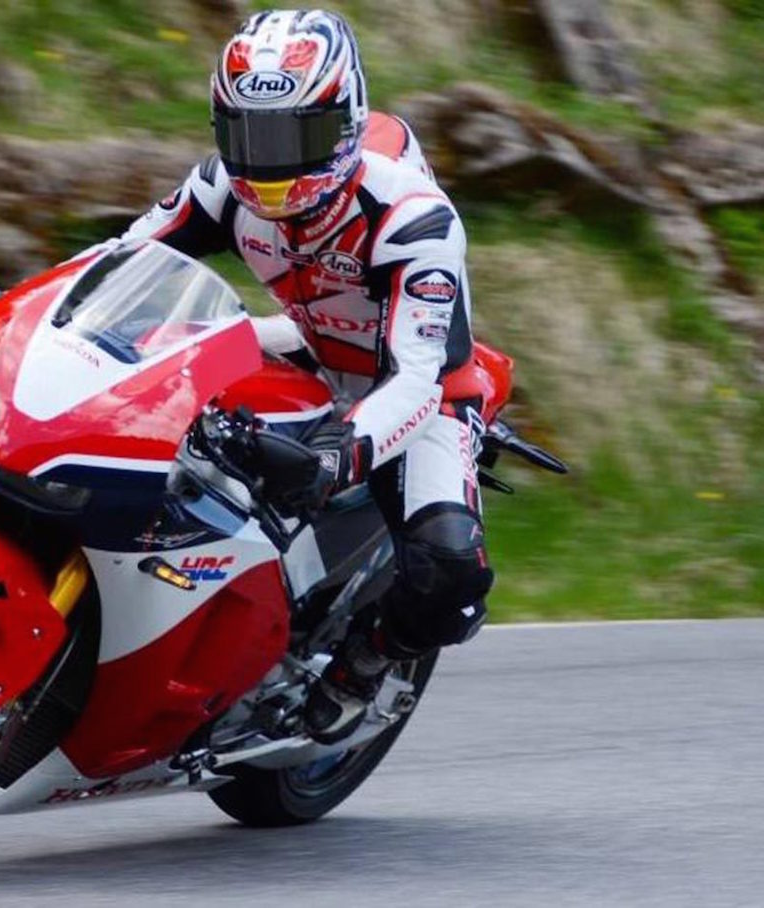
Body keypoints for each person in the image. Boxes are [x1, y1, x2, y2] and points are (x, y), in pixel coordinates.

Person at [116, 8, 493, 742]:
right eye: (252, 138)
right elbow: (124, 263)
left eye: (297, 138)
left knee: (453, 572)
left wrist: (341, 451)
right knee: (142, 376)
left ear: (346, 120)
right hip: (307, 346)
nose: (271, 165)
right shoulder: (221, 184)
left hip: (419, 391)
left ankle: (364, 663)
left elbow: (417, 378)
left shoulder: (413, 219)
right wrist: (13, 312)